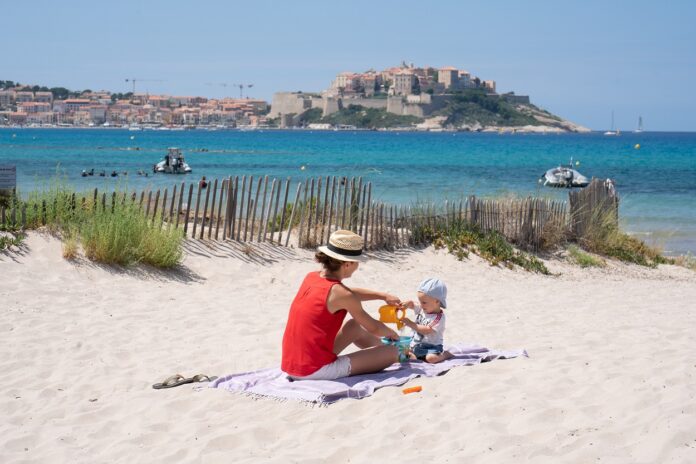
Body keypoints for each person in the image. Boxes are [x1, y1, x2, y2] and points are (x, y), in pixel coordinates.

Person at [281, 230, 402, 380]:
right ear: (347, 264)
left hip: (292, 364)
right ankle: (392, 351)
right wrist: (393, 334)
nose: (358, 265)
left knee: (353, 326)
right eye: (357, 261)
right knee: (393, 353)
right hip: (313, 370)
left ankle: (382, 349)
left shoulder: (312, 277)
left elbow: (348, 293)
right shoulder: (342, 294)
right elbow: (374, 328)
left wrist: (382, 296)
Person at [401, 278, 453, 364]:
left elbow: (427, 330)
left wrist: (410, 323)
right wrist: (408, 304)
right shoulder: (424, 308)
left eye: (424, 302)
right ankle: (415, 357)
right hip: (415, 345)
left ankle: (445, 355)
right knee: (402, 354)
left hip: (431, 347)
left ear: (437, 301)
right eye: (420, 301)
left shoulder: (438, 318)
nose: (421, 305)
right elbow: (413, 305)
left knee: (431, 359)